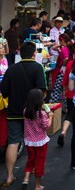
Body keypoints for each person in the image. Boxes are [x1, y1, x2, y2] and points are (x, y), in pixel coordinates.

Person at [0, 42, 47, 188]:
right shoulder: (38, 68)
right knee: (33, 142)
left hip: (14, 111)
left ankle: (9, 176)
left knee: (13, 142)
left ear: (21, 54)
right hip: (32, 113)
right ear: (34, 54)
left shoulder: (11, 69)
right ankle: (33, 173)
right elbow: (42, 91)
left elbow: (4, 91)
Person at [22, 89, 52, 190]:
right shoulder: (41, 114)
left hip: (29, 141)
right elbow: (46, 126)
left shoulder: (25, 111)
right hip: (40, 142)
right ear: (40, 101)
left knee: (30, 160)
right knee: (40, 162)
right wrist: (50, 116)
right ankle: (37, 185)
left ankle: (25, 180)